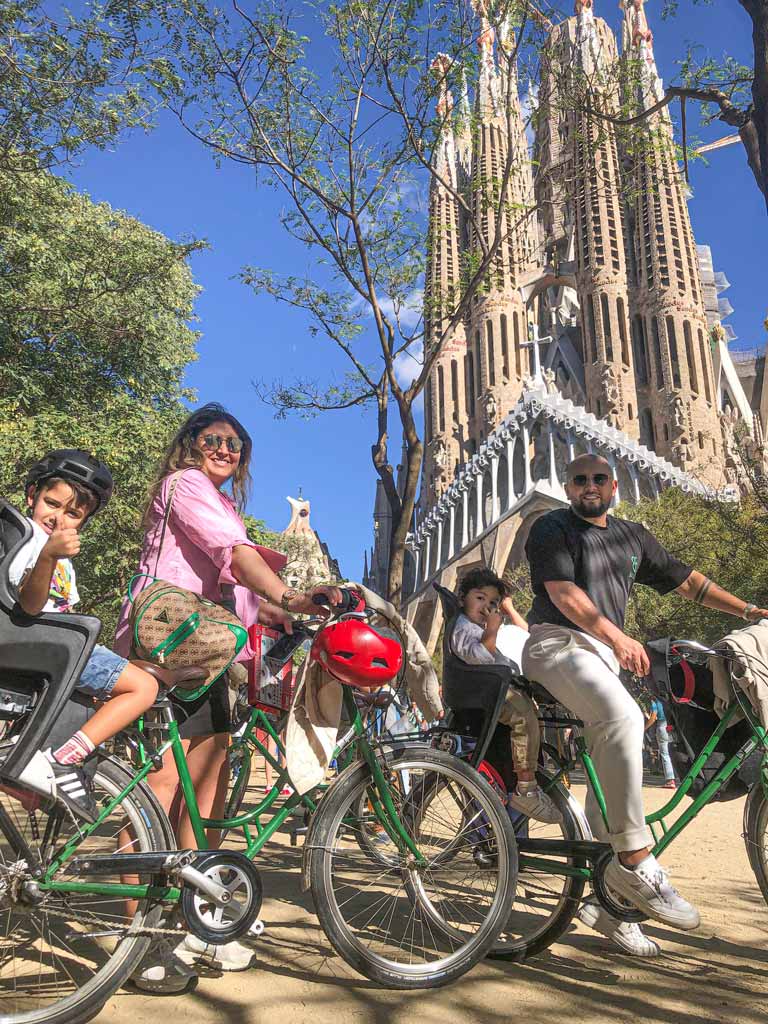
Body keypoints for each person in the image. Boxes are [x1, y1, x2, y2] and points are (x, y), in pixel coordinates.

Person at [114, 403, 340, 991]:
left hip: (212, 658)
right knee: (161, 791)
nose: (225, 450)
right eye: (213, 439)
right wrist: (291, 596)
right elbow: (232, 557)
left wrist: (290, 612)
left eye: (236, 445)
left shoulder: (225, 505)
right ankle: (137, 939)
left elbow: (241, 598)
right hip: (173, 651)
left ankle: (200, 915)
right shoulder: (184, 485)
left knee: (206, 794)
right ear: (190, 444)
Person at [522, 452, 768, 957]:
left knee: (611, 775)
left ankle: (609, 909)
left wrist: (747, 609)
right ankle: (633, 863)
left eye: (598, 479)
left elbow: (689, 582)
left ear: (615, 486)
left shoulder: (633, 535)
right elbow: (563, 593)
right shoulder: (551, 527)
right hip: (556, 643)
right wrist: (618, 638)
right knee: (623, 716)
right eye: (579, 480)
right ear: (568, 488)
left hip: (600, 656)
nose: (589, 486)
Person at [7, 450, 159, 823]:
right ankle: (64, 760)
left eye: (72, 513)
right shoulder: (29, 543)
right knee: (143, 688)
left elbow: (67, 613)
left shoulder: (61, 559)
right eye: (51, 503)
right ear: (31, 496)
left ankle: (28, 773)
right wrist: (47, 557)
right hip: (45, 644)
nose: (58, 517)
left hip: (58, 648)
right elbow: (29, 606)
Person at [451, 568, 560, 824]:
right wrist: (491, 631)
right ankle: (526, 787)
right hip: (483, 696)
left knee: (531, 717)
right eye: (480, 598)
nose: (486, 606)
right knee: (523, 718)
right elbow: (481, 658)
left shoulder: (473, 626)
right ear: (463, 598)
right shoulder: (464, 627)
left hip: (493, 691)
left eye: (492, 603)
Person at [646, 699, 676, 789]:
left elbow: (653, 717)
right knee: (671, 751)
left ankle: (670, 780)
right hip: (670, 727)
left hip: (661, 726)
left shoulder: (655, 703)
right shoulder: (667, 701)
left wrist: (644, 727)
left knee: (665, 754)